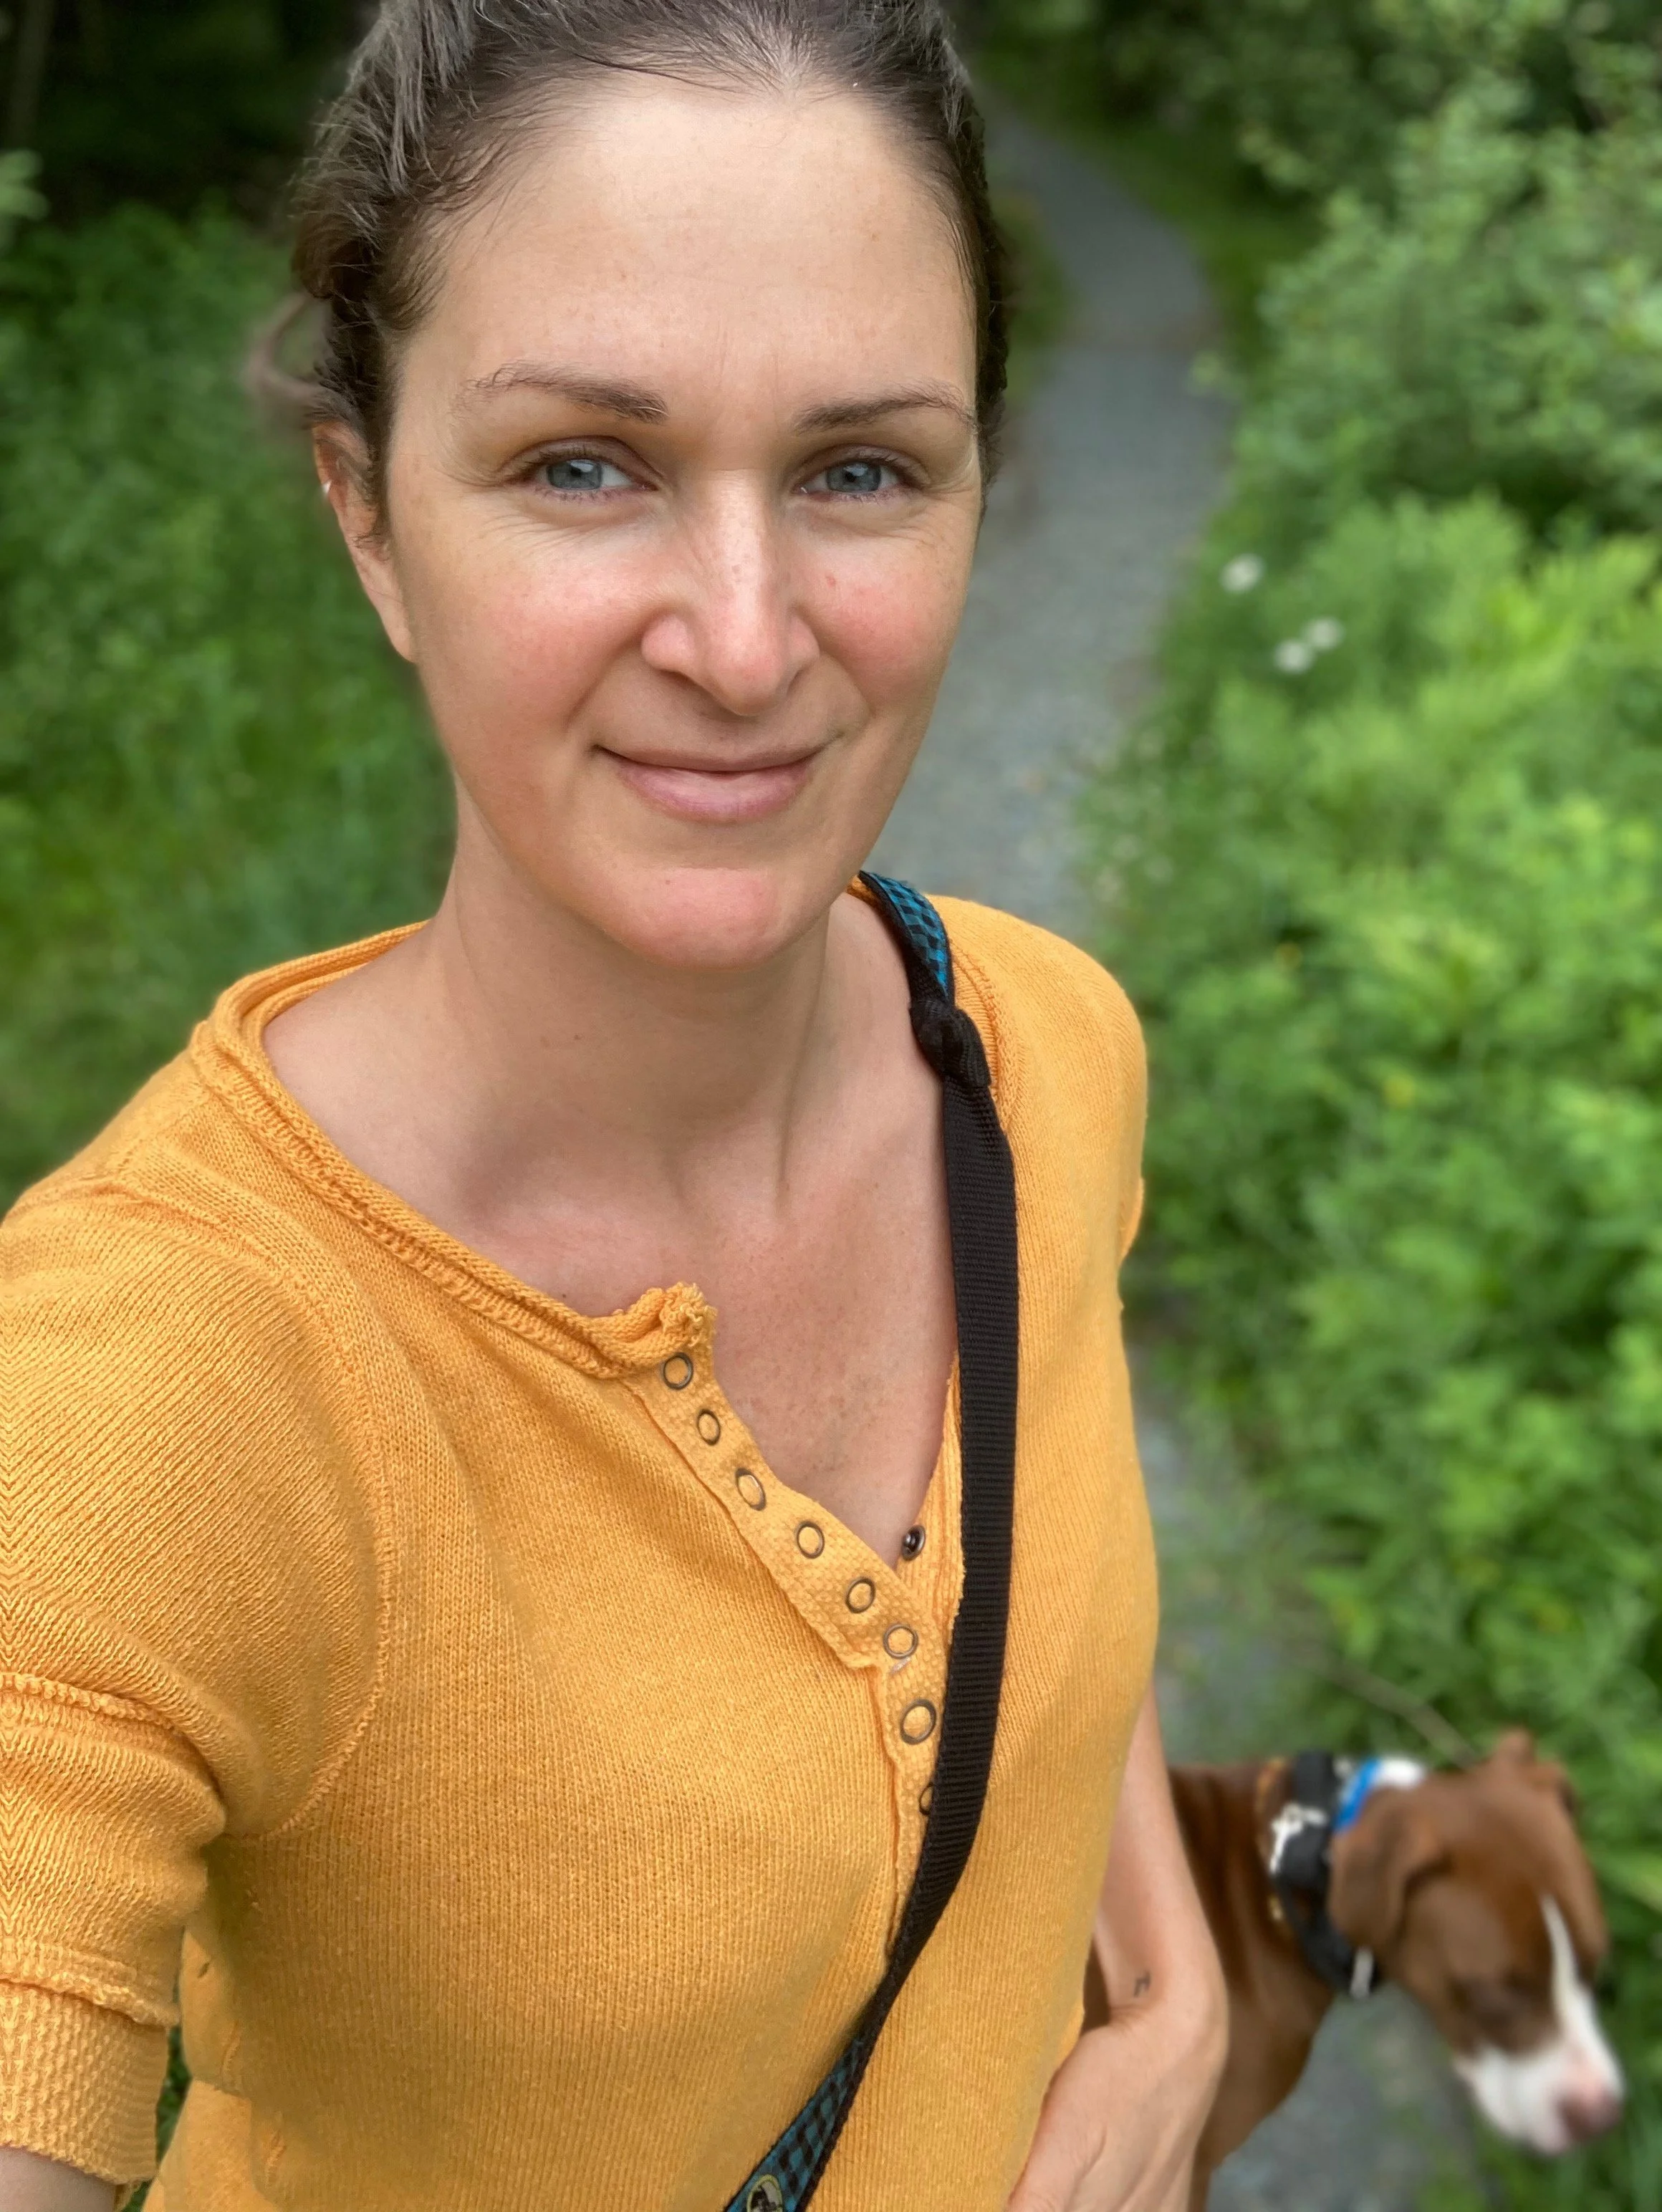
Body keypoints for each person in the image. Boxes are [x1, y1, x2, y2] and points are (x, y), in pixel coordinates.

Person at [0, 0, 1227, 2205]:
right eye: (585, 464)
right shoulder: (134, 1396)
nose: (747, 642)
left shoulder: (1046, 1050)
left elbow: (1053, 1565)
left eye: (862, 468)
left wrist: (1175, 1999)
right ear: (370, 518)